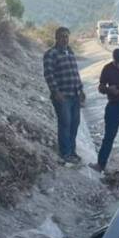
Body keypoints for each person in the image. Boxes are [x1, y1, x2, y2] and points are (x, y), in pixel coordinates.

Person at [42, 26, 85, 165]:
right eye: (62, 36)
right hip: (62, 97)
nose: (65, 39)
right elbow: (49, 74)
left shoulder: (70, 52)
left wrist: (81, 90)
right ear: (56, 38)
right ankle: (65, 153)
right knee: (65, 124)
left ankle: (72, 152)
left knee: (74, 124)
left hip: (75, 94)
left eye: (67, 36)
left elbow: (75, 73)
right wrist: (56, 92)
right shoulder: (51, 54)